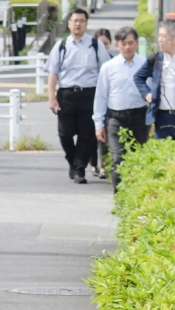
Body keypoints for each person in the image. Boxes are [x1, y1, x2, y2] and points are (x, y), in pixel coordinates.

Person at [47, 8, 111, 184]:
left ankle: (80, 169)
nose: (78, 24)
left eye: (81, 21)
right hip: (66, 94)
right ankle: (73, 162)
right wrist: (51, 97)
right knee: (65, 134)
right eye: (75, 20)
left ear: (86, 24)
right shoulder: (61, 46)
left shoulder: (95, 44)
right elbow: (53, 73)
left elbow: (106, 71)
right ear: (69, 23)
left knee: (86, 134)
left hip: (90, 94)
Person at [92, 27, 149, 190]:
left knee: (140, 157)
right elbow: (101, 96)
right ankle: (119, 194)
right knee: (118, 158)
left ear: (137, 44)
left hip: (140, 116)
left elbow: (152, 92)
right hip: (116, 118)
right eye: (123, 44)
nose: (127, 47)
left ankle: (137, 193)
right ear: (117, 45)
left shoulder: (145, 64)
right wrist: (99, 124)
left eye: (131, 43)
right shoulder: (109, 67)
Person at [133, 18, 175, 139]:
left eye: (163, 36)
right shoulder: (155, 59)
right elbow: (138, 77)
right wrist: (147, 93)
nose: (159, 40)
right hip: (161, 117)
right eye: (159, 36)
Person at [90, 28, 113, 179]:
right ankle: (94, 163)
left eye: (105, 43)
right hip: (90, 99)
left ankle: (103, 165)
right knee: (90, 135)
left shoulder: (113, 61)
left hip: (107, 102)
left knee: (104, 136)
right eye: (100, 43)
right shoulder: (89, 59)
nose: (103, 47)